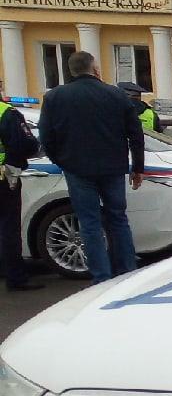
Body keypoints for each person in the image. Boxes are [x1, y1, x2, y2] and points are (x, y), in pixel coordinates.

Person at [38, 50, 144, 284]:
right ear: (95, 69)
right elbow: (136, 134)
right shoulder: (116, 95)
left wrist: (61, 160)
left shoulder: (55, 97)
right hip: (113, 168)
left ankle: (102, 278)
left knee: (89, 223)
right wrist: (138, 167)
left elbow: (45, 136)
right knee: (118, 218)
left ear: (71, 71)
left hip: (77, 169)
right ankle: (127, 273)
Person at [0, 93, 42, 292]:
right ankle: (15, 277)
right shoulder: (7, 113)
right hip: (4, 178)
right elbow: (26, 145)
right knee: (8, 227)